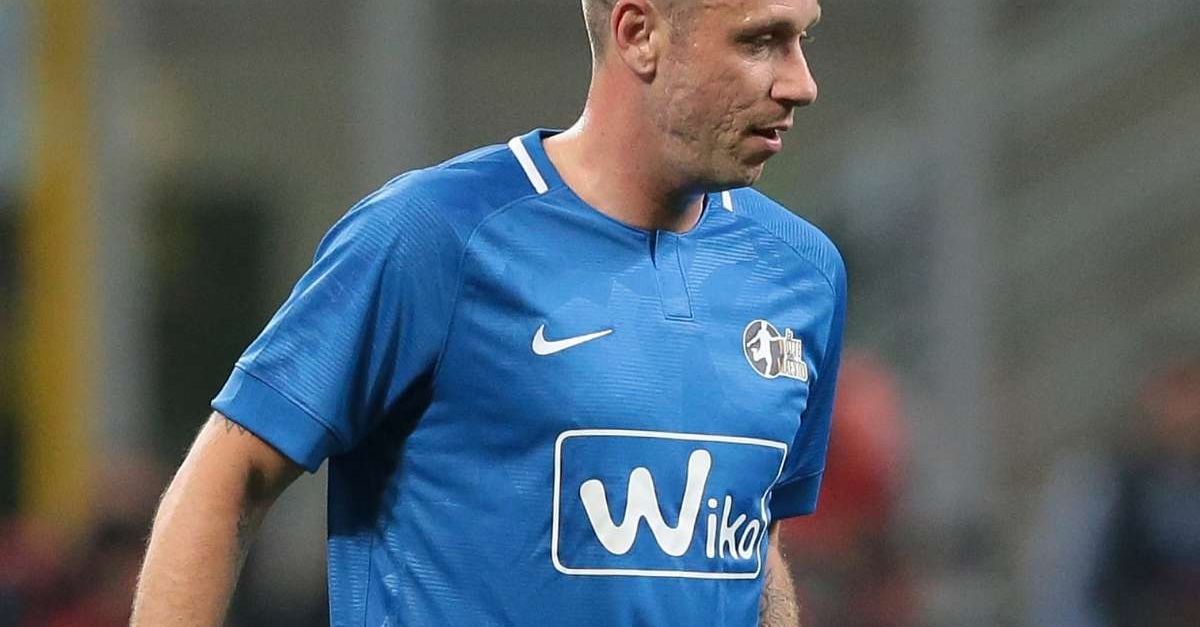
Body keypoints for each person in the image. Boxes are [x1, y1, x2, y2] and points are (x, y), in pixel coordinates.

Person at [132, 0, 844, 625]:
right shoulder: (436, 234)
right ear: (638, 34)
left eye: (802, 38)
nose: (801, 83)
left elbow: (753, 544)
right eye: (761, 41)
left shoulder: (801, 275)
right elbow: (230, 474)